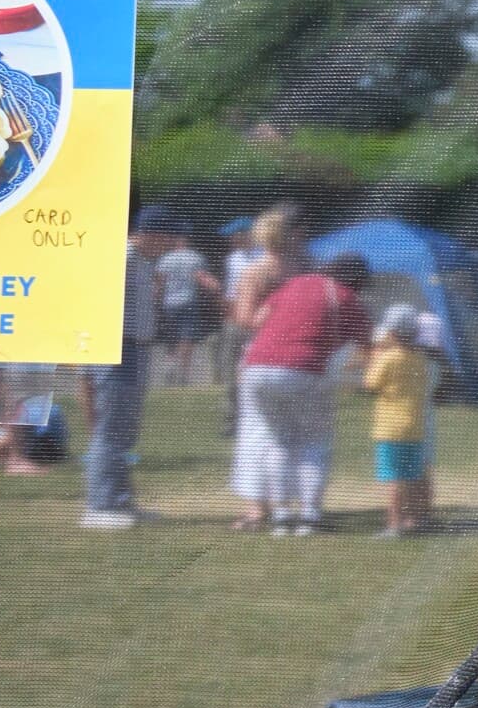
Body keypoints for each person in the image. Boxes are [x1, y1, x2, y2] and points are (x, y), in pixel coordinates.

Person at [241, 250, 371, 535]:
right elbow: (366, 346)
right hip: (303, 369)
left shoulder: (295, 283)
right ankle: (310, 517)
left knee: (279, 442)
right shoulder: (346, 296)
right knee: (313, 443)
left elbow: (258, 319)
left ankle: (282, 516)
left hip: (257, 368)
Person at [81, 201, 165, 530]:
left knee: (124, 432)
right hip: (118, 348)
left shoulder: (143, 262)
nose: (171, 244)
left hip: (135, 348)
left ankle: (120, 501)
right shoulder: (121, 258)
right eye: (167, 236)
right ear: (149, 233)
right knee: (111, 430)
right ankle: (100, 505)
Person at [224, 204, 309, 523]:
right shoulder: (285, 270)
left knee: (261, 433)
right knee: (280, 433)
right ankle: (275, 504)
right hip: (286, 357)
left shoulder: (265, 270)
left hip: (273, 358)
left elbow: (243, 317)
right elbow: (246, 318)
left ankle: (264, 506)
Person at [362, 303, 437, 537]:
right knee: (413, 477)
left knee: (395, 480)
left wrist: (374, 358)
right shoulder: (420, 359)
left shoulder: (388, 358)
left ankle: (394, 524)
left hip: (391, 430)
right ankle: (416, 519)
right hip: (415, 428)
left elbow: (370, 384)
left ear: (392, 333)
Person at [150, 219, 221, 387]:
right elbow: (202, 278)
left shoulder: (164, 259)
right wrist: (216, 288)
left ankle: (170, 364)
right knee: (186, 336)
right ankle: (182, 370)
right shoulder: (195, 258)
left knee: (172, 335)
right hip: (188, 302)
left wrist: (155, 302)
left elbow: (159, 284)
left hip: (169, 304)